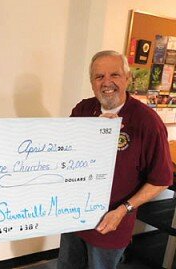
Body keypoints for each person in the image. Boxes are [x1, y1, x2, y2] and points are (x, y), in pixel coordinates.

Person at [57, 50, 173, 269]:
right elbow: (65, 152)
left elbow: (161, 179)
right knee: (66, 265)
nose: (106, 82)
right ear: (92, 82)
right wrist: (93, 132)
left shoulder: (147, 122)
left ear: (128, 78)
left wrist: (123, 210)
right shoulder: (83, 109)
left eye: (115, 75)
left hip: (111, 223)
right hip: (73, 216)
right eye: (99, 76)